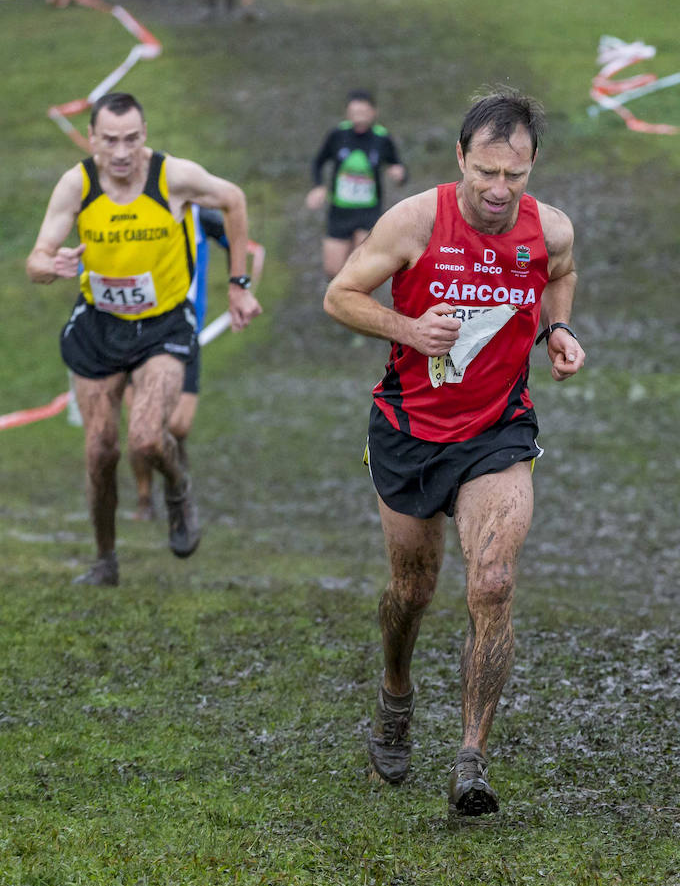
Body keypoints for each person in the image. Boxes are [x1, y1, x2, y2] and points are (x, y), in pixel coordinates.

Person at [323, 89, 585, 816]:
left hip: (498, 430)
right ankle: (397, 689)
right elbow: (339, 296)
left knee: (493, 583)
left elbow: (559, 276)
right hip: (409, 430)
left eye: (516, 176)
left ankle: (472, 755)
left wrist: (555, 333)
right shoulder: (413, 222)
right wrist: (409, 329)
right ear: (460, 160)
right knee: (412, 592)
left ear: (532, 167)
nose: (500, 192)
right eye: (486, 174)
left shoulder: (551, 231)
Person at [26, 92, 262, 585]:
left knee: (148, 437)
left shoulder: (171, 177)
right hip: (98, 326)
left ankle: (177, 488)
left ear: (145, 135)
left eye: (131, 139)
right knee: (100, 451)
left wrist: (237, 285)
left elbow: (234, 199)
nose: (120, 152)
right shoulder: (77, 184)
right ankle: (105, 561)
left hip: (162, 327)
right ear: (91, 138)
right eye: (109, 140)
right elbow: (37, 259)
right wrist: (52, 265)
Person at [130, 207, 267, 520]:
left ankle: (175, 465)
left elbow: (236, 240)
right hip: (135, 334)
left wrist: (240, 286)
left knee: (178, 425)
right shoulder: (136, 215)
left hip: (183, 333)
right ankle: (144, 499)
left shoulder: (200, 217)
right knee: (140, 431)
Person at [307, 91, 406, 279]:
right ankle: (339, 304)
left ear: (373, 112)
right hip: (339, 211)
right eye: (354, 112)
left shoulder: (382, 138)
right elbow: (318, 162)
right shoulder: (338, 134)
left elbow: (398, 166)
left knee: (361, 269)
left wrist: (399, 174)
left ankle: (357, 305)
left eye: (363, 111)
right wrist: (318, 186)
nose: (358, 116)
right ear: (347, 113)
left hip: (368, 211)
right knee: (333, 270)